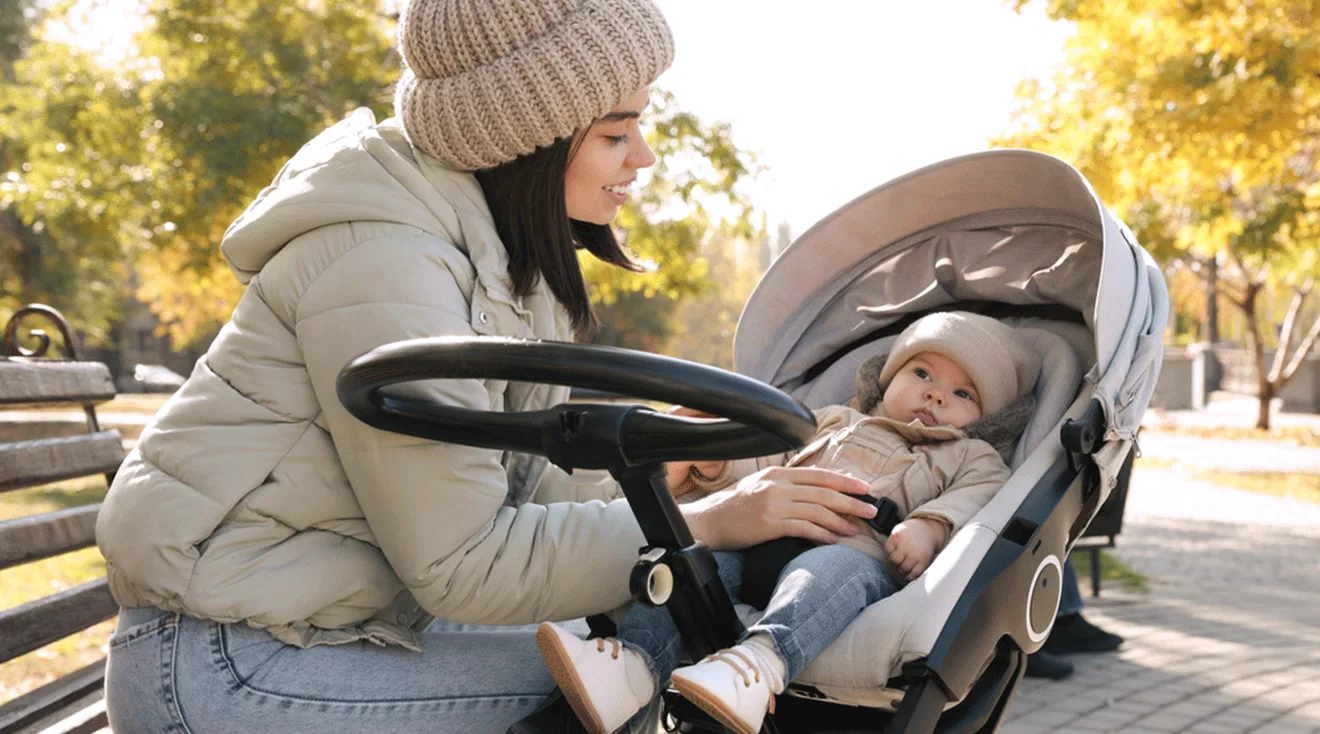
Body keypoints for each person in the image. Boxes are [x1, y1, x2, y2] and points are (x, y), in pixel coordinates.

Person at [93, 2, 883, 732]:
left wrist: (657, 482)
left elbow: (511, 492)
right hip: (221, 665)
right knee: (613, 683)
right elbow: (464, 564)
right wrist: (714, 521)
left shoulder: (491, 263)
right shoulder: (389, 264)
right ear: (527, 138)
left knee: (612, 650)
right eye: (617, 133)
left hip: (315, 628)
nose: (644, 156)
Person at [537, 311, 1043, 734]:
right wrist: (718, 467)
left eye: (962, 394)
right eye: (923, 375)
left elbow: (979, 500)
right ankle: (630, 665)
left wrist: (930, 528)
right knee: (691, 568)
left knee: (821, 575)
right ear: (888, 379)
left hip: (855, 557)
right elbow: (767, 464)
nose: (935, 396)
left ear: (984, 419)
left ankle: (757, 665)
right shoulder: (831, 422)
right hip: (764, 537)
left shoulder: (970, 455)